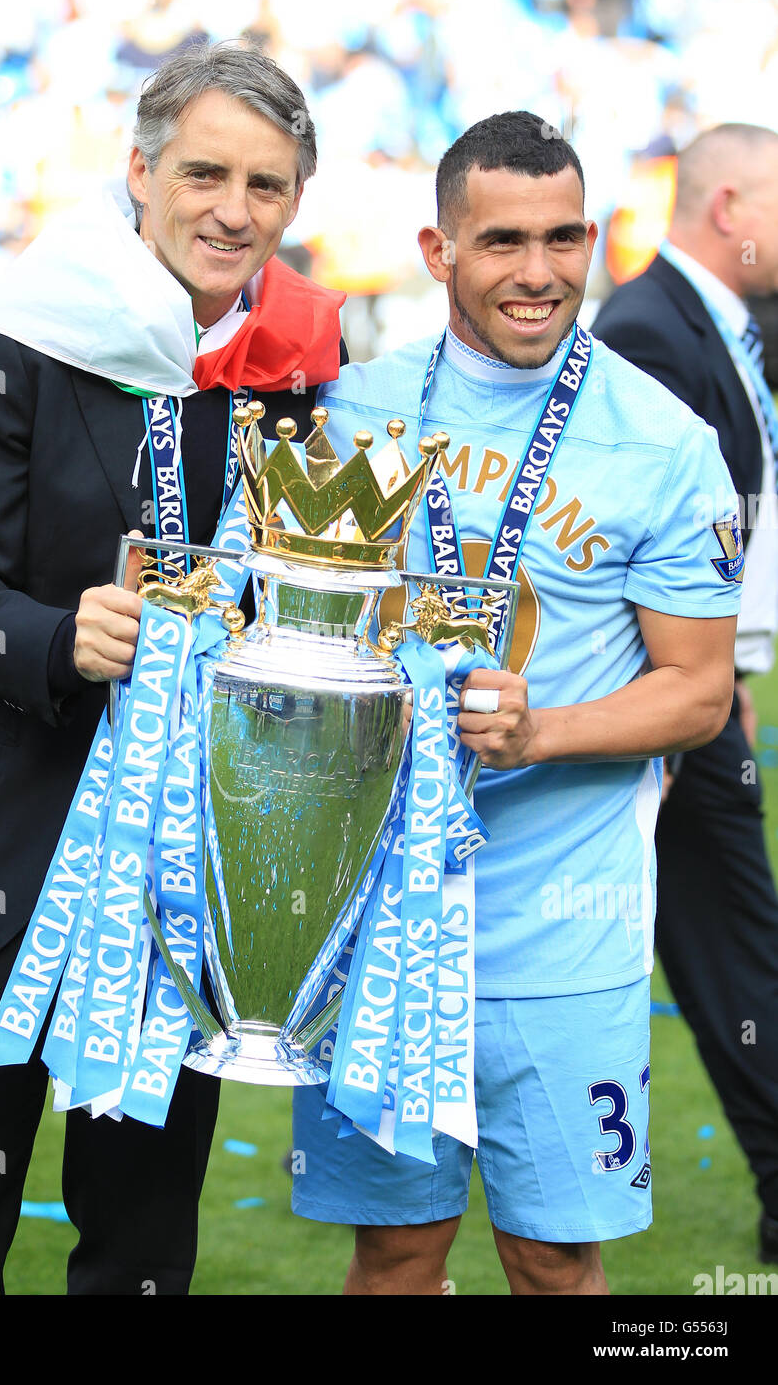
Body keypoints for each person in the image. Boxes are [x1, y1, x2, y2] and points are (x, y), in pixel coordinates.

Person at [0, 41, 345, 1295]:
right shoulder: (5, 339)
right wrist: (56, 638)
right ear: (137, 171)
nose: (233, 211)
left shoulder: (286, 374)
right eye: (204, 173)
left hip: (174, 869)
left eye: (268, 185)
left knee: (139, 1247)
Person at [290, 110, 740, 1295]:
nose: (535, 273)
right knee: (393, 1253)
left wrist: (540, 731)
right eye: (499, 242)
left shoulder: (663, 441)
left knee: (550, 1260)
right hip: (375, 923)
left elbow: (696, 696)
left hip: (560, 937)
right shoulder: (351, 410)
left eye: (561, 238)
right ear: (438, 252)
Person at [594, 123, 778, 1264]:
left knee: (725, 940)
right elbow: (637, 542)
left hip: (697, 690)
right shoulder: (643, 330)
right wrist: (680, 697)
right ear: (728, 210)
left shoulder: (722, 322)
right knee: (726, 938)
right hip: (652, 704)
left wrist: (732, 672)